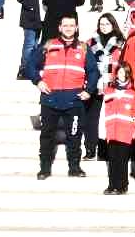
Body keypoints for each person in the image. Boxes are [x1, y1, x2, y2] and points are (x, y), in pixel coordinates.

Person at [27, 14, 97, 179]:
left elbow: (93, 71)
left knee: (74, 136)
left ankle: (74, 168)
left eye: (72, 25)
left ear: (76, 28)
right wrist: (38, 81)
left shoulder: (83, 48)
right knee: (46, 136)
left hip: (74, 101)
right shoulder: (49, 45)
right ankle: (44, 168)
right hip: (50, 99)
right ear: (59, 27)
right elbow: (30, 65)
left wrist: (89, 90)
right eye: (65, 25)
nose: (68, 28)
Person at [101, 62, 135, 195]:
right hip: (111, 130)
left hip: (126, 131)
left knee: (122, 160)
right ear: (116, 73)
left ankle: (122, 185)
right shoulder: (109, 91)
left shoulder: (133, 92)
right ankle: (112, 185)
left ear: (129, 74)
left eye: (125, 72)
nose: (122, 75)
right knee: (112, 159)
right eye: (120, 72)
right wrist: (102, 131)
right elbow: (103, 111)